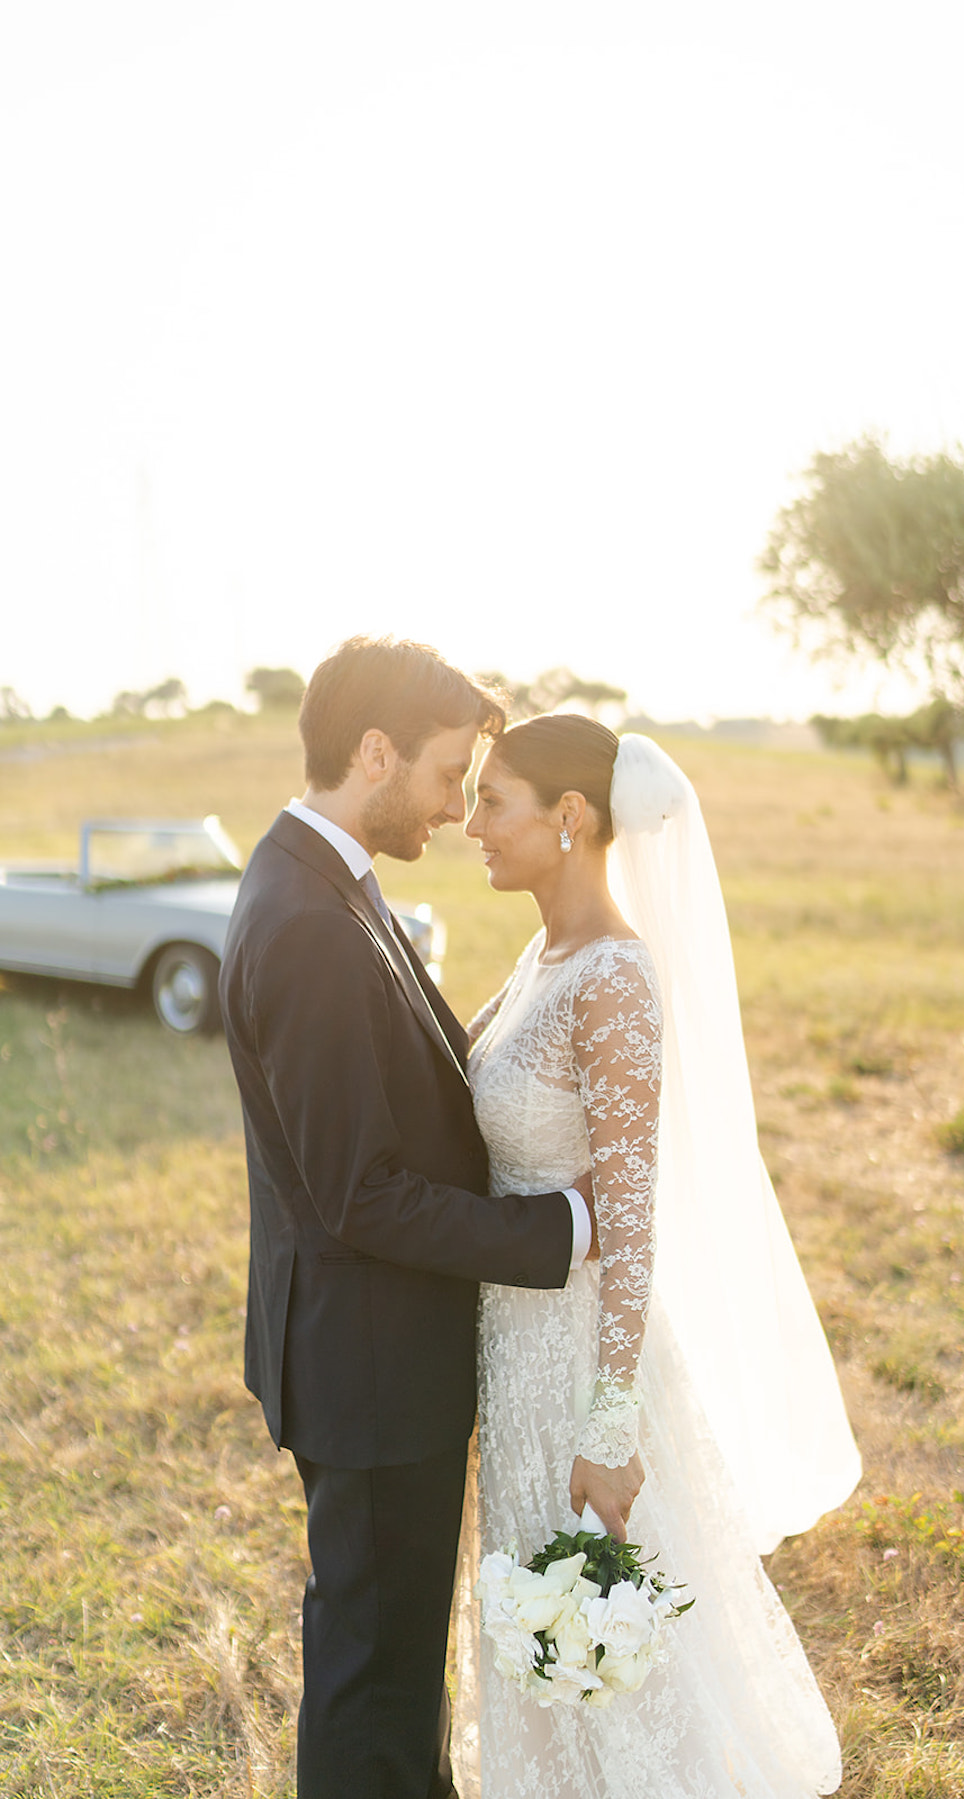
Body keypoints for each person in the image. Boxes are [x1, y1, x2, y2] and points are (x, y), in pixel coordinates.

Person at [452, 715, 862, 1799]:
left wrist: (611, 1423)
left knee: (606, 1631)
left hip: (583, 1362)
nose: (472, 824)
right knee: (543, 1637)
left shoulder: (615, 979)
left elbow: (634, 1222)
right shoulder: (541, 954)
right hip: (513, 1349)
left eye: (494, 801)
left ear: (570, 818)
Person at [218, 639, 596, 1799]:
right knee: (373, 1675)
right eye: (444, 773)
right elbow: (360, 1190)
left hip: (361, 1351)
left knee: (385, 1660)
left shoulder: (320, 877)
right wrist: (557, 1230)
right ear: (373, 752)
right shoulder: (309, 923)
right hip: (371, 1368)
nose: (454, 805)